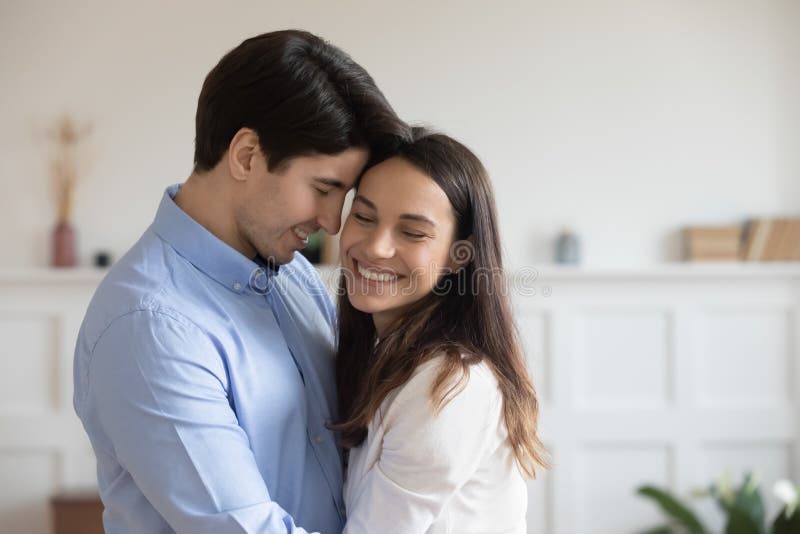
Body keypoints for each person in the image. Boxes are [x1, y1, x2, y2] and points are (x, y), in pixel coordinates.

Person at [73, 30, 408, 533]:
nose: (332, 222)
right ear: (247, 154)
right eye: (323, 188)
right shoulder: (149, 327)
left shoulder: (295, 276)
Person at [334, 129, 549, 533]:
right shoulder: (387, 356)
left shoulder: (448, 384)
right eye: (363, 216)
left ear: (458, 256)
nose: (376, 246)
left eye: (412, 232)